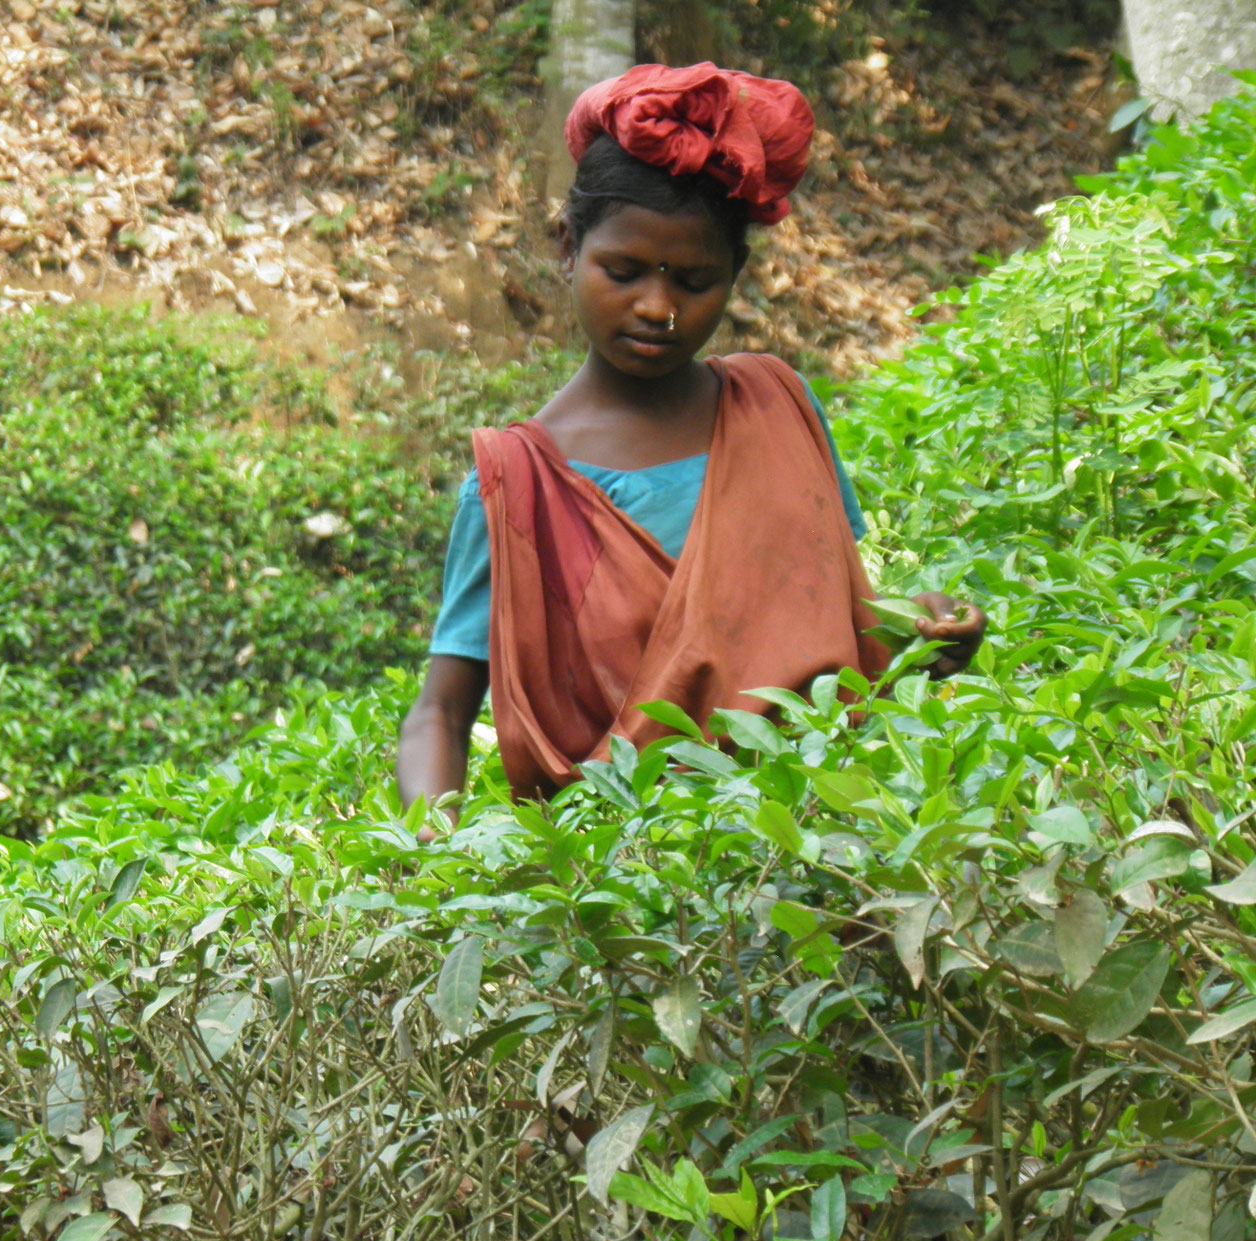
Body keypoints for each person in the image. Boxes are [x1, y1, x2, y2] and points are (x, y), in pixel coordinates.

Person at [395, 64, 985, 825]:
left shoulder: (777, 407)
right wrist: (435, 854)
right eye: (624, 272)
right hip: (631, 873)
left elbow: (827, 624)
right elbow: (441, 713)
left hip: (827, 846)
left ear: (737, 273)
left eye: (695, 281)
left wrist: (922, 630)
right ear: (567, 248)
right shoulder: (518, 486)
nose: (657, 308)